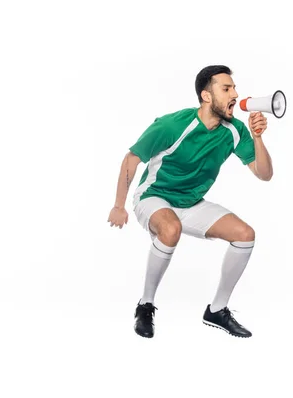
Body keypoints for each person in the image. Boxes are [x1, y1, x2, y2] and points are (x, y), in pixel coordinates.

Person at [107, 65, 274, 338]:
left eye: (234, 87)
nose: (235, 93)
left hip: (192, 202)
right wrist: (118, 205)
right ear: (206, 96)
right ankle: (145, 305)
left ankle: (217, 311)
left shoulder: (235, 130)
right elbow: (131, 159)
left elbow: (264, 174)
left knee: (245, 235)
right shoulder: (173, 124)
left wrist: (257, 138)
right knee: (170, 229)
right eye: (227, 88)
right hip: (154, 196)